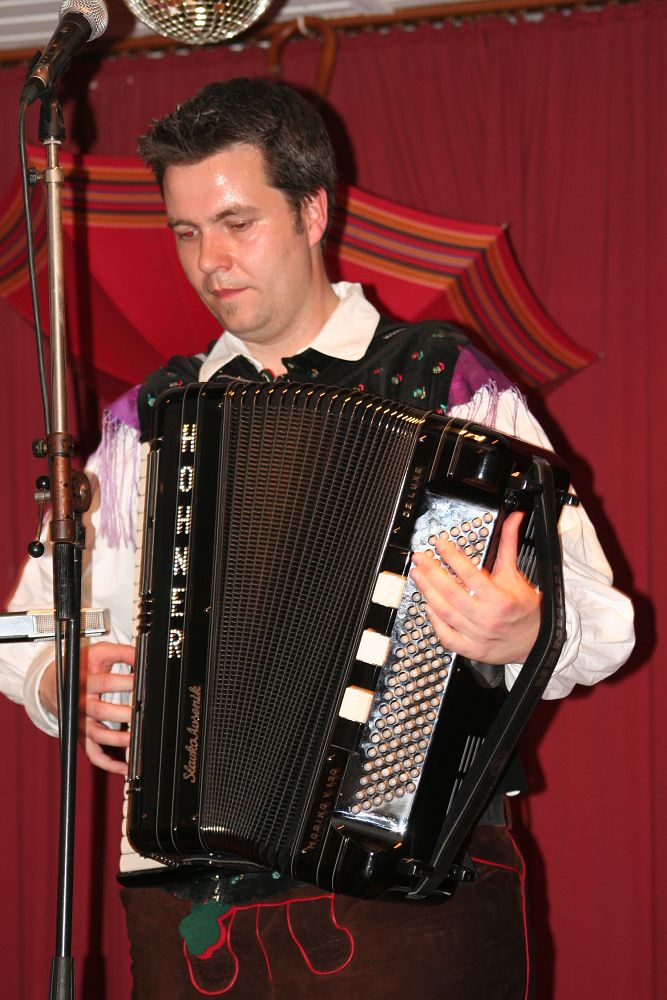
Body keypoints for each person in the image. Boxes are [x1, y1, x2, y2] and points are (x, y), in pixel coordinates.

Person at [0, 78, 634, 998]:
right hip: (187, 899)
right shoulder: (146, 424)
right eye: (186, 232)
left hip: (407, 880)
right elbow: (20, 629)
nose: (210, 261)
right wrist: (61, 676)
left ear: (311, 211)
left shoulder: (450, 388)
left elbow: (601, 617)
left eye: (237, 223)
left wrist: (526, 630)